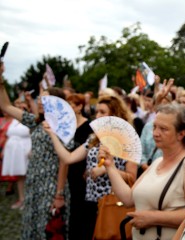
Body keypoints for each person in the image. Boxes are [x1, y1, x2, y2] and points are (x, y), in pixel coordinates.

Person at [43, 95, 137, 240]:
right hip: (90, 200)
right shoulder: (94, 137)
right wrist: (52, 134)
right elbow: (68, 158)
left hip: (112, 202)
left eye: (102, 112)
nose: (97, 115)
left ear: (115, 114)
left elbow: (132, 177)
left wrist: (106, 169)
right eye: (97, 111)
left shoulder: (127, 140)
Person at [98, 103, 185, 240]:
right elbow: (128, 198)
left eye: (163, 129)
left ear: (181, 134)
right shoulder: (156, 163)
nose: (155, 133)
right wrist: (110, 166)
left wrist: (153, 218)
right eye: (154, 127)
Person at [1, 62, 72, 239]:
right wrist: (1, 80)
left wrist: (59, 194)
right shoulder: (36, 121)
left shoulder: (63, 127)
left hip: (51, 183)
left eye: (45, 99)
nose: (40, 101)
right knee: (32, 225)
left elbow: (65, 161)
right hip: (34, 180)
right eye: (40, 98)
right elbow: (6, 107)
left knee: (47, 228)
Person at [65, 93, 94, 240]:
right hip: (67, 171)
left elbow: (90, 151)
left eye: (71, 104)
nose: (68, 107)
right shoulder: (66, 126)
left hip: (81, 174)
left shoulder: (88, 127)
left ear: (79, 107)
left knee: (79, 210)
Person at [1, 98, 31, 210]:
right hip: (13, 151)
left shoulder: (31, 119)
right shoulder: (14, 120)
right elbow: (9, 135)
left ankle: (28, 200)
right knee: (19, 176)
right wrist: (4, 150)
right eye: (16, 104)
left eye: (21, 104)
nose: (19, 106)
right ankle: (21, 198)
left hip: (25, 148)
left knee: (27, 175)